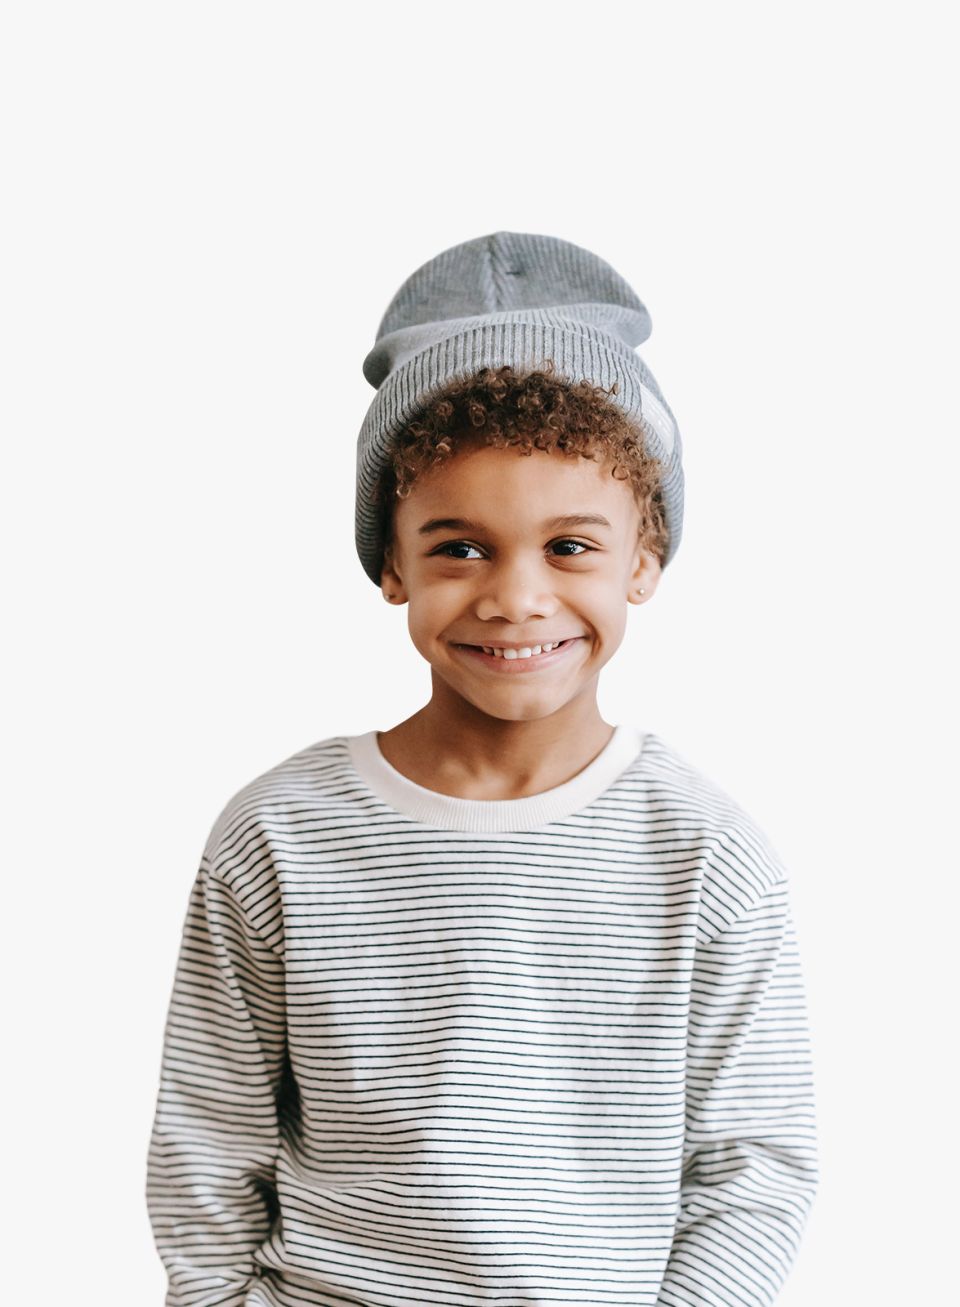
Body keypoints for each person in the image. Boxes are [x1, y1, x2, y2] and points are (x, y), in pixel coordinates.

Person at [145, 231, 819, 1306]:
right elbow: (209, 1138)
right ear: (391, 561)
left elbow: (752, 1171)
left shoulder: (705, 852)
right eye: (459, 546)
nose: (515, 598)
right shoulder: (279, 833)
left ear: (644, 558)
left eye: (570, 546)